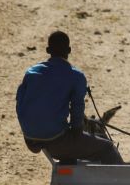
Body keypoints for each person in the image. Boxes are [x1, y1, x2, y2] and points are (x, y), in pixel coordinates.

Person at [16, 31, 123, 164]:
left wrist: (29, 130)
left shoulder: (31, 72)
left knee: (70, 151)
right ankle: (125, 182)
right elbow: (77, 110)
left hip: (30, 139)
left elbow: (19, 101)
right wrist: (77, 134)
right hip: (56, 141)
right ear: (69, 50)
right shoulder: (76, 76)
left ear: (48, 50)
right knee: (107, 148)